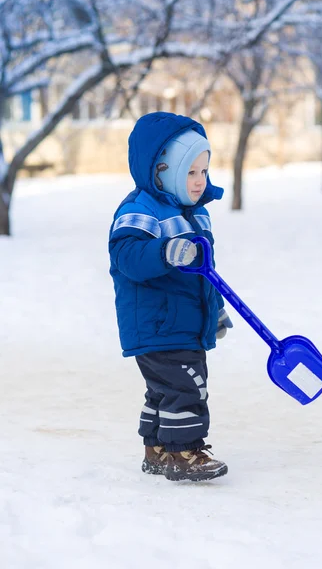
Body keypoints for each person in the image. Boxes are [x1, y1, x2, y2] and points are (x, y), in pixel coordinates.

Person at [108, 111, 233, 482]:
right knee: (186, 385)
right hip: (158, 323)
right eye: (189, 172)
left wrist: (216, 311)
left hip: (181, 322)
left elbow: (203, 274)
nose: (199, 181)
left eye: (204, 172)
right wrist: (165, 252)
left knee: (164, 390)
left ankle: (157, 448)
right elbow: (126, 256)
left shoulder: (196, 215)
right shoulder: (140, 212)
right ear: (160, 171)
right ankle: (184, 452)